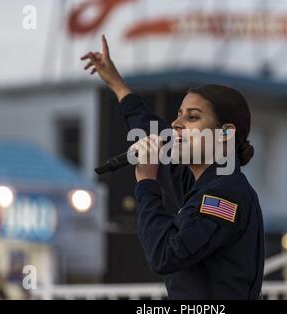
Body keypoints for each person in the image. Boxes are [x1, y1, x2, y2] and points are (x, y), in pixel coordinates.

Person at [81, 35, 265, 299]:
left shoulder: (224, 194)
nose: (177, 124)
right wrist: (119, 87)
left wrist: (146, 183)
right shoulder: (202, 182)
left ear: (225, 134)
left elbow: (166, 254)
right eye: (179, 114)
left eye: (192, 117)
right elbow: (152, 130)